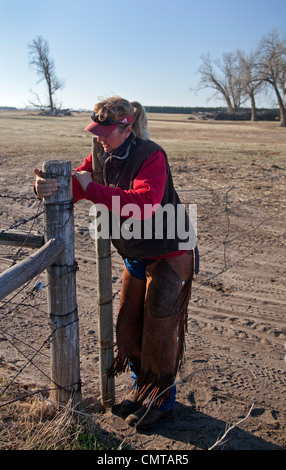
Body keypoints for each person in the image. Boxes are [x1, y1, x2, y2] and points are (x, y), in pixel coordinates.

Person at [34, 96, 198, 429]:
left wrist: (91, 189)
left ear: (127, 128)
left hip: (169, 252)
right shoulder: (101, 155)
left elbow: (144, 205)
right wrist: (47, 186)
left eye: (105, 132)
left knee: (158, 329)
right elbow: (77, 186)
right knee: (128, 328)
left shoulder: (151, 154)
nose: (99, 138)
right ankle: (142, 390)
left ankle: (161, 400)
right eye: (96, 131)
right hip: (136, 253)